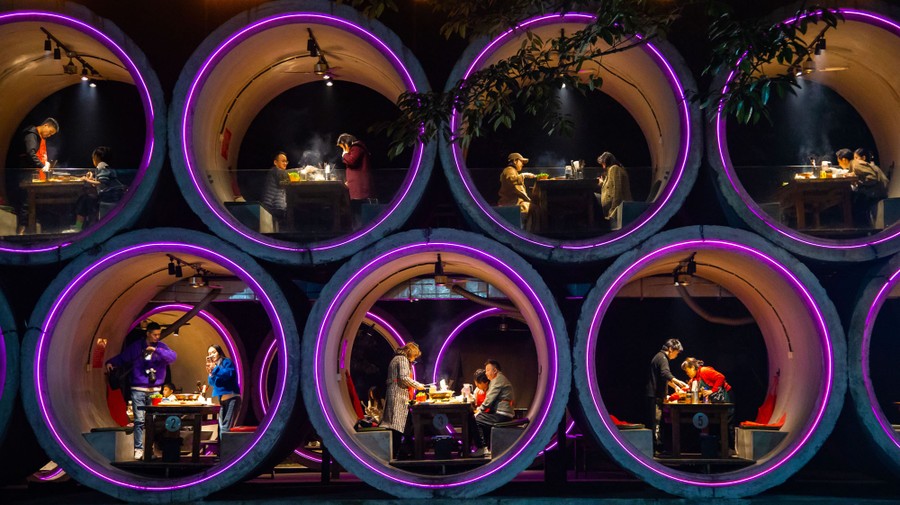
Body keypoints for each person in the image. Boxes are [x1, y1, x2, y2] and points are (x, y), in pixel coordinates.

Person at [105, 322, 177, 460]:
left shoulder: (161, 347)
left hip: (155, 390)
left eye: (159, 334)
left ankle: (149, 447)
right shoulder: (137, 347)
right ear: (148, 333)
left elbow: (173, 357)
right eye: (154, 334)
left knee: (153, 420)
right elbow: (123, 357)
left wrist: (156, 351)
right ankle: (139, 449)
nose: (157, 337)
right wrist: (111, 362)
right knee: (139, 420)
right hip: (138, 388)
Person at [11, 118, 59, 235]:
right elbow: (30, 153)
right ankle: (21, 233)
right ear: (46, 125)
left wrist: (46, 163)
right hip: (24, 173)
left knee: (28, 202)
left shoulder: (39, 137)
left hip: (29, 173)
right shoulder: (31, 134)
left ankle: (28, 231)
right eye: (50, 132)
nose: (49, 135)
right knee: (25, 202)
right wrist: (42, 166)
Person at [380, 342, 426, 459]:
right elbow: (404, 378)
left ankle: (397, 452)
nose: (413, 359)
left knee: (396, 425)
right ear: (410, 353)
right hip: (398, 394)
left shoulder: (396, 358)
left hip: (394, 392)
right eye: (414, 356)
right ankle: (398, 454)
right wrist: (418, 385)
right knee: (397, 425)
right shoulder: (403, 359)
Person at [644, 338, 688, 452]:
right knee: (656, 422)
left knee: (657, 421)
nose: (676, 355)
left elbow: (663, 377)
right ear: (670, 349)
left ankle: (656, 447)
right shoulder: (663, 358)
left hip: (654, 394)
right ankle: (656, 448)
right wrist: (678, 382)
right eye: (676, 353)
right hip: (654, 395)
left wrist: (675, 387)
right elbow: (665, 373)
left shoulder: (659, 357)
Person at [681, 357, 735, 449]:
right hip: (716, 401)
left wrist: (712, 390)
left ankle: (730, 449)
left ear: (693, 368)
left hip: (726, 397)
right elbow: (690, 387)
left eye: (687, 370)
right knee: (718, 424)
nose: (687, 373)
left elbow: (721, 377)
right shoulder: (695, 378)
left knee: (727, 423)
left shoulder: (704, 371)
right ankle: (719, 448)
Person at [72, 146, 124, 231]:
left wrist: (86, 179)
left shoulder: (101, 165)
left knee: (82, 201)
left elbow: (101, 183)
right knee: (84, 200)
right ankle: (80, 226)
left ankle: (78, 227)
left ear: (96, 157)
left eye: (93, 157)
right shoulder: (106, 166)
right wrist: (91, 179)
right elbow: (101, 183)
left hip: (110, 198)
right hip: (112, 197)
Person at [472, 359, 515, 457]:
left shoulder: (497, 380)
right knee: (481, 419)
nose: (486, 373)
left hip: (503, 414)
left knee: (476, 419)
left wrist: (479, 410)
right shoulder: (497, 379)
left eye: (487, 370)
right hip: (500, 412)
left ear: (494, 370)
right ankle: (486, 447)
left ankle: (482, 448)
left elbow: (489, 399)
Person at [836, 148, 888, 227]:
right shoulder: (855, 165)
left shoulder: (856, 164)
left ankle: (862, 228)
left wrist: (857, 180)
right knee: (853, 197)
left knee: (854, 202)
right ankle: (858, 226)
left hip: (876, 191)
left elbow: (872, 178)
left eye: (839, 162)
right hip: (873, 190)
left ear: (844, 160)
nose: (839, 165)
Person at [337, 133, 374, 219]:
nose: (343, 149)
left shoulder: (357, 147)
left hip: (359, 186)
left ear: (346, 143)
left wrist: (345, 154)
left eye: (343, 146)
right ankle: (358, 225)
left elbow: (351, 161)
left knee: (358, 208)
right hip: (356, 184)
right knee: (356, 207)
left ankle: (360, 227)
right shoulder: (356, 148)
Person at [207, 345, 242, 435]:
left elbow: (228, 374)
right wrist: (211, 374)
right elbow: (212, 383)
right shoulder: (215, 366)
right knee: (221, 428)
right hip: (222, 400)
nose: (211, 355)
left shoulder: (226, 362)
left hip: (232, 398)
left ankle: (226, 448)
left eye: (213, 352)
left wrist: (215, 369)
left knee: (226, 428)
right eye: (209, 353)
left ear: (219, 352)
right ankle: (222, 448)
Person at [597, 151, 633, 221]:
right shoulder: (612, 170)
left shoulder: (614, 169)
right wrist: (602, 183)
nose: (602, 165)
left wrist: (613, 210)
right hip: (612, 208)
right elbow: (609, 187)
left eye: (602, 163)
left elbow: (617, 190)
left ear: (605, 161)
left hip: (618, 208)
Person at [260, 151, 290, 231]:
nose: (285, 163)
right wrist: (303, 171)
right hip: (272, 207)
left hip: (273, 208)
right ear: (275, 162)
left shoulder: (277, 173)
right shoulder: (276, 171)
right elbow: (287, 181)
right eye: (283, 161)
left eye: (286, 161)